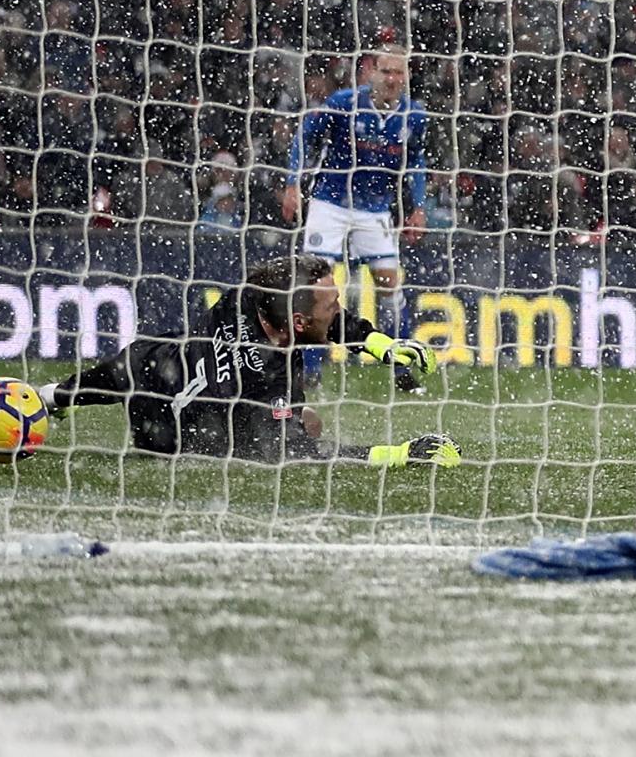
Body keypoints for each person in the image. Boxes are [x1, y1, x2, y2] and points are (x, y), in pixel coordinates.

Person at [36, 254, 455, 467]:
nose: (339, 308)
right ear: (296, 320)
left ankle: (49, 397)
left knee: (145, 359)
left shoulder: (246, 296)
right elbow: (298, 455)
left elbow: (328, 322)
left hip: (151, 368)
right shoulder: (264, 375)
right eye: (331, 304)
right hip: (172, 439)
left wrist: (382, 345)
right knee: (302, 429)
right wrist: (398, 453)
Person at [284, 44, 431, 390]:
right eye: (386, 71)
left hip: (375, 208)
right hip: (330, 202)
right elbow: (304, 138)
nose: (393, 79)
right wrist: (293, 183)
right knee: (315, 285)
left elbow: (417, 162)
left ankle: (401, 368)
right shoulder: (344, 104)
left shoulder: (414, 115)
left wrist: (418, 206)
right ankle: (309, 368)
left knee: (390, 286)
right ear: (371, 73)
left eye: (399, 72)